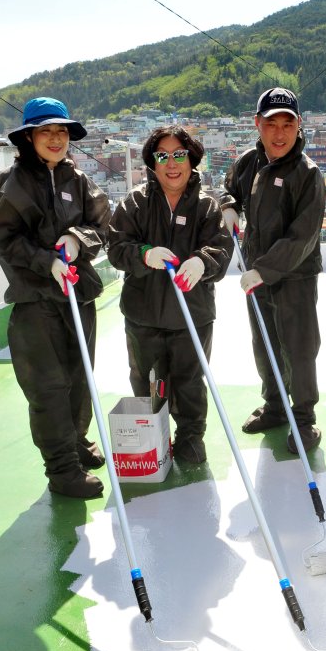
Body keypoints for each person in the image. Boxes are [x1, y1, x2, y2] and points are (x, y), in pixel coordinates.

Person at [0, 97, 111, 498]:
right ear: (28, 137)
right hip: (36, 301)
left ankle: (76, 443)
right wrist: (46, 260)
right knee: (48, 388)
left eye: (61, 131)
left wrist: (77, 240)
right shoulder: (12, 184)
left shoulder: (77, 180)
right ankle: (62, 470)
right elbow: (6, 240)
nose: (55, 138)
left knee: (80, 378)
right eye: (46, 131)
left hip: (78, 295)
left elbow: (102, 220)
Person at [107, 125, 232, 465]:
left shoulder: (208, 207)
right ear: (153, 162)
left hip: (192, 314)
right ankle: (153, 437)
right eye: (163, 155)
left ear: (192, 159)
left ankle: (191, 438)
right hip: (143, 315)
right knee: (148, 383)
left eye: (180, 154)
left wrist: (202, 262)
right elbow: (116, 247)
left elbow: (221, 248)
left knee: (190, 382)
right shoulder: (134, 203)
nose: (172, 163)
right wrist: (144, 254)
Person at [220, 87, 326, 454]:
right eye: (271, 124)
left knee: (298, 347)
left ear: (299, 126)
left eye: (287, 124)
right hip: (256, 273)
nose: (279, 133)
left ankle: (304, 419)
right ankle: (276, 405)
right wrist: (229, 205)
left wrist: (264, 269)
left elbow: (303, 237)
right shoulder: (249, 161)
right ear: (258, 124)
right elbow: (228, 188)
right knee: (264, 344)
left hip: (293, 275)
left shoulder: (308, 174)